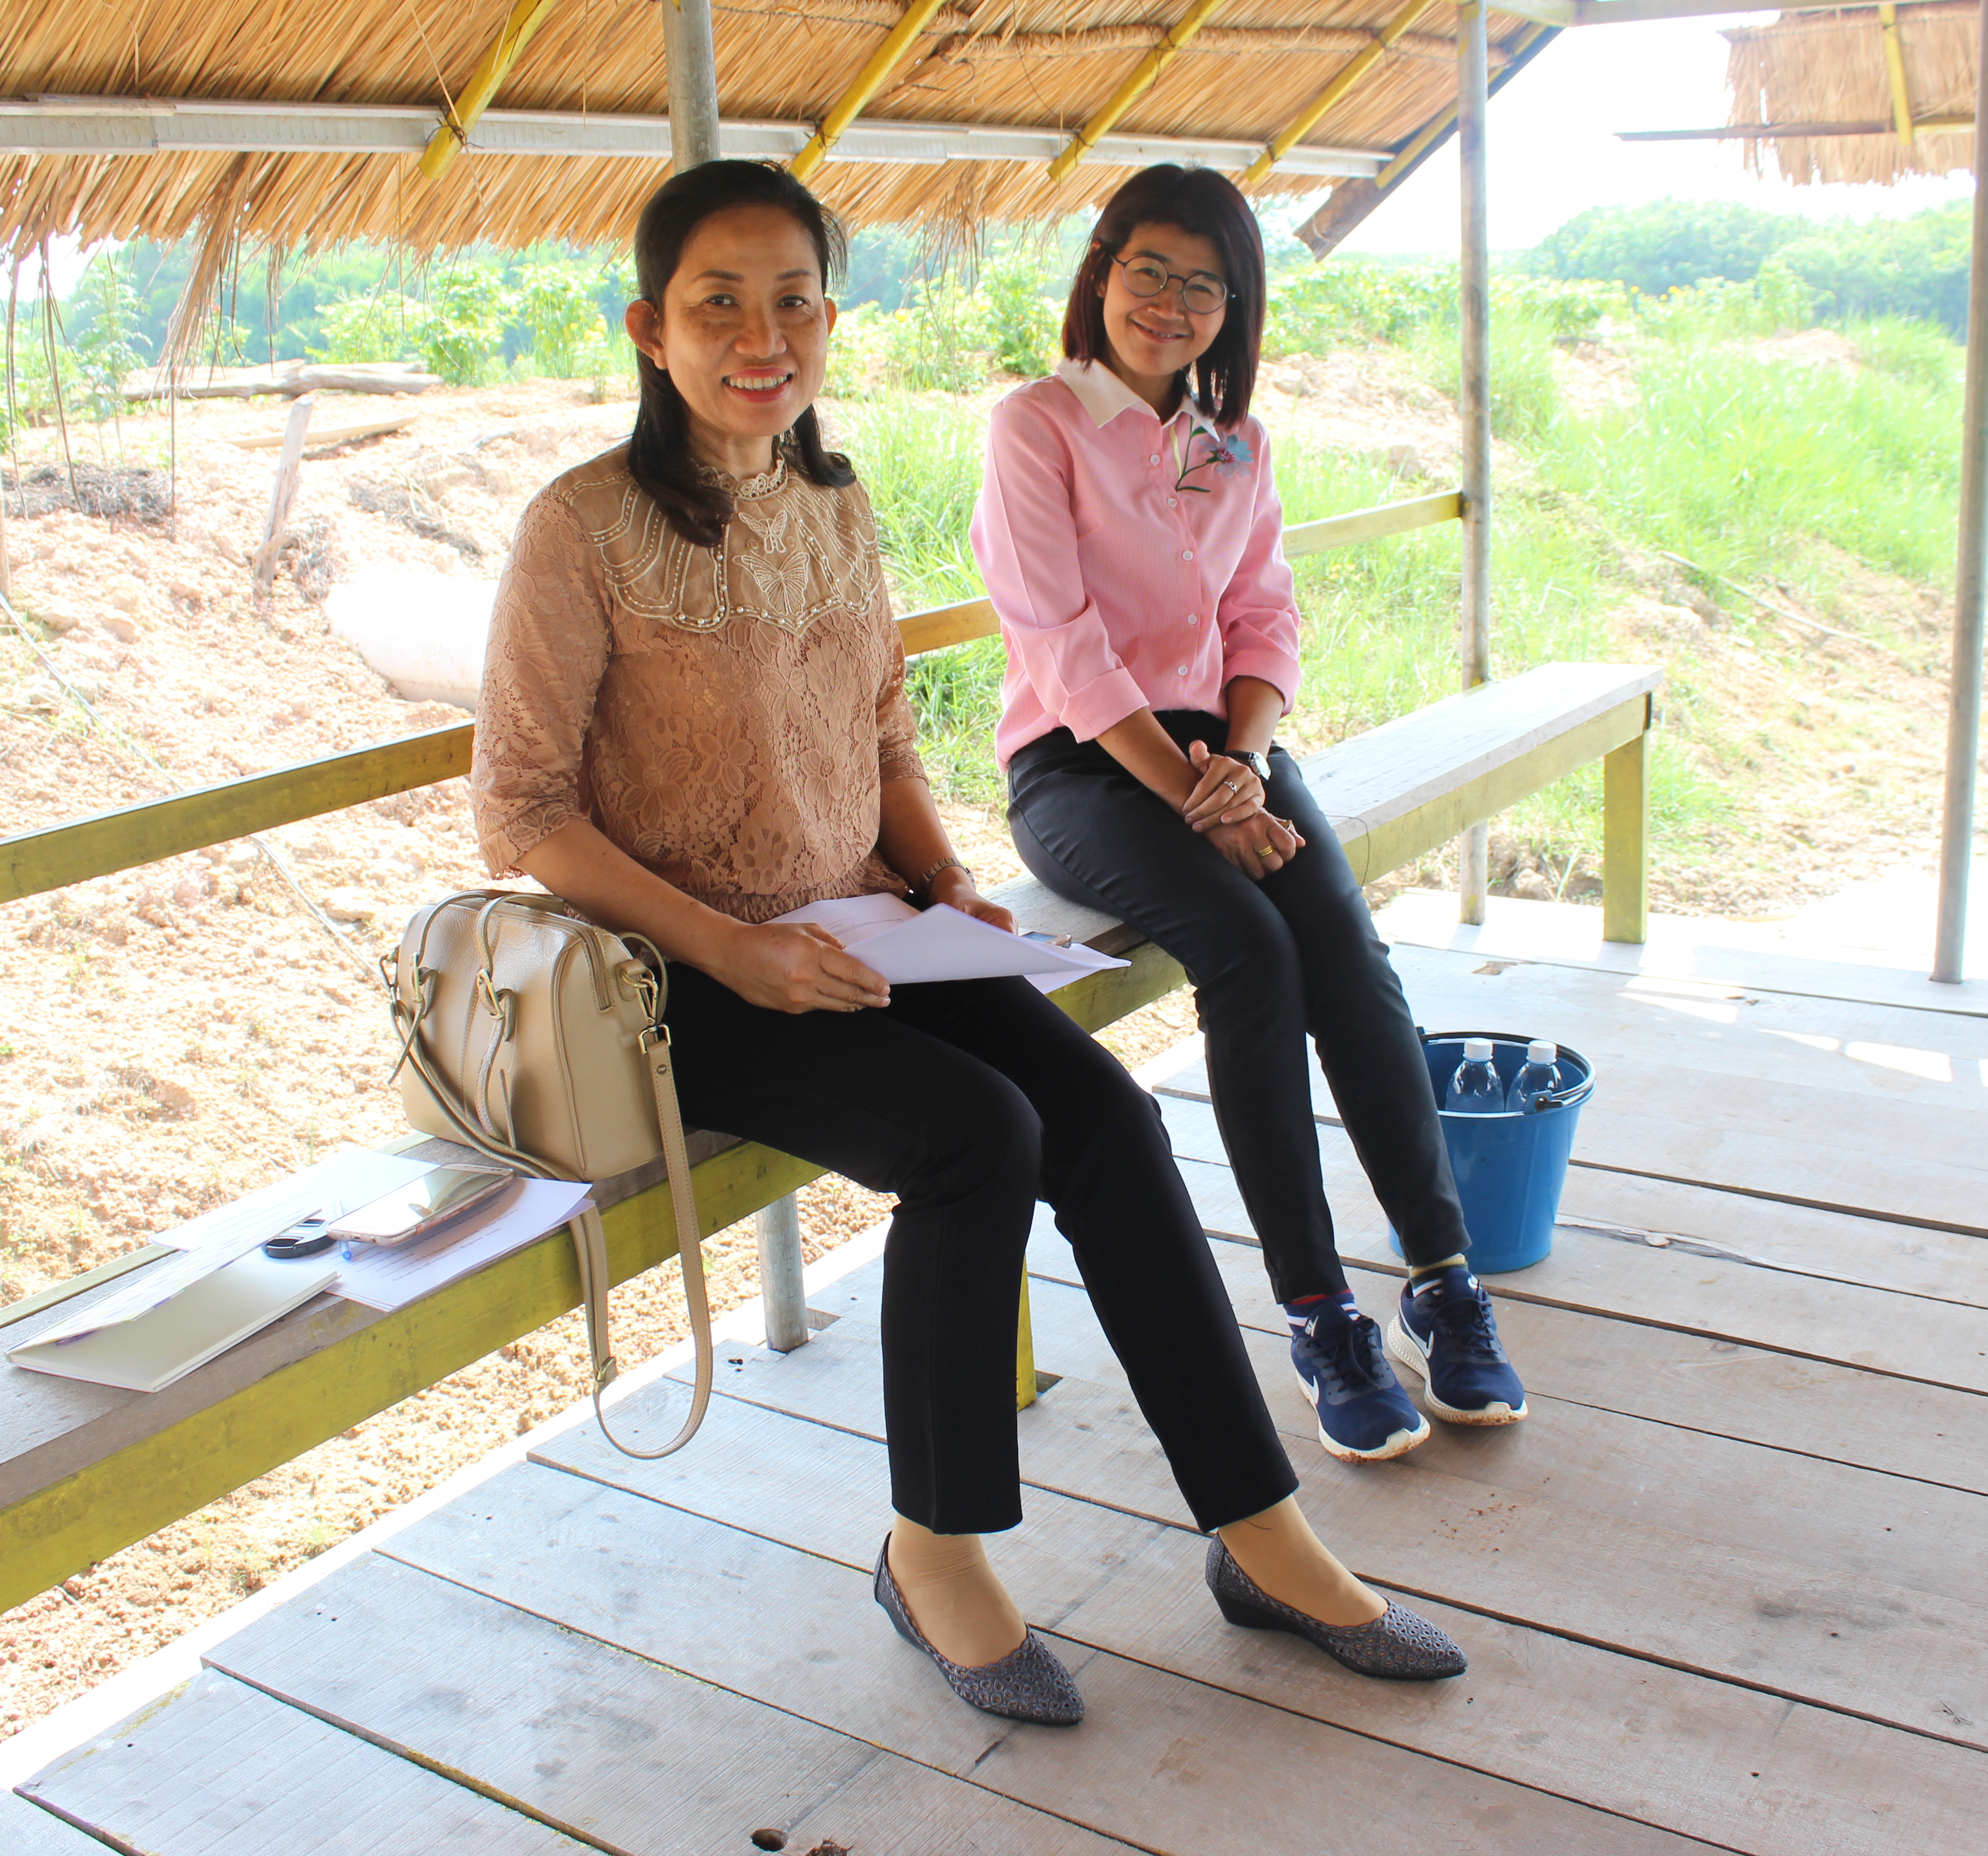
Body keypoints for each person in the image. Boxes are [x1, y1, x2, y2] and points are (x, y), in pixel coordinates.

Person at [468, 160, 1465, 1726]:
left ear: (829, 318)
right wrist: (738, 954)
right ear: (649, 326)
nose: (762, 333)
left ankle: (1259, 1530)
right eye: (719, 301)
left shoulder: (830, 500)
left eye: (794, 298)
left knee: (1113, 1120)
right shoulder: (578, 528)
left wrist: (942, 878)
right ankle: (933, 1551)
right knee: (976, 1138)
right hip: (679, 977)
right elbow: (523, 813)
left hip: (866, 933)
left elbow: (876, 731)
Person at [971, 164, 1531, 1466]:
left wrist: (1245, 761)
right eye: (1148, 271)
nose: (1170, 304)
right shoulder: (1037, 425)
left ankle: (1442, 1278)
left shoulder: (1235, 444)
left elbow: (1263, 616)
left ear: (1236, 304)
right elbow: (1059, 643)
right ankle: (1320, 1311)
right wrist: (1197, 794)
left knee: (1345, 948)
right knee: (1250, 950)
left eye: (1203, 284)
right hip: (1080, 769)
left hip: (1227, 753)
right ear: (1101, 269)